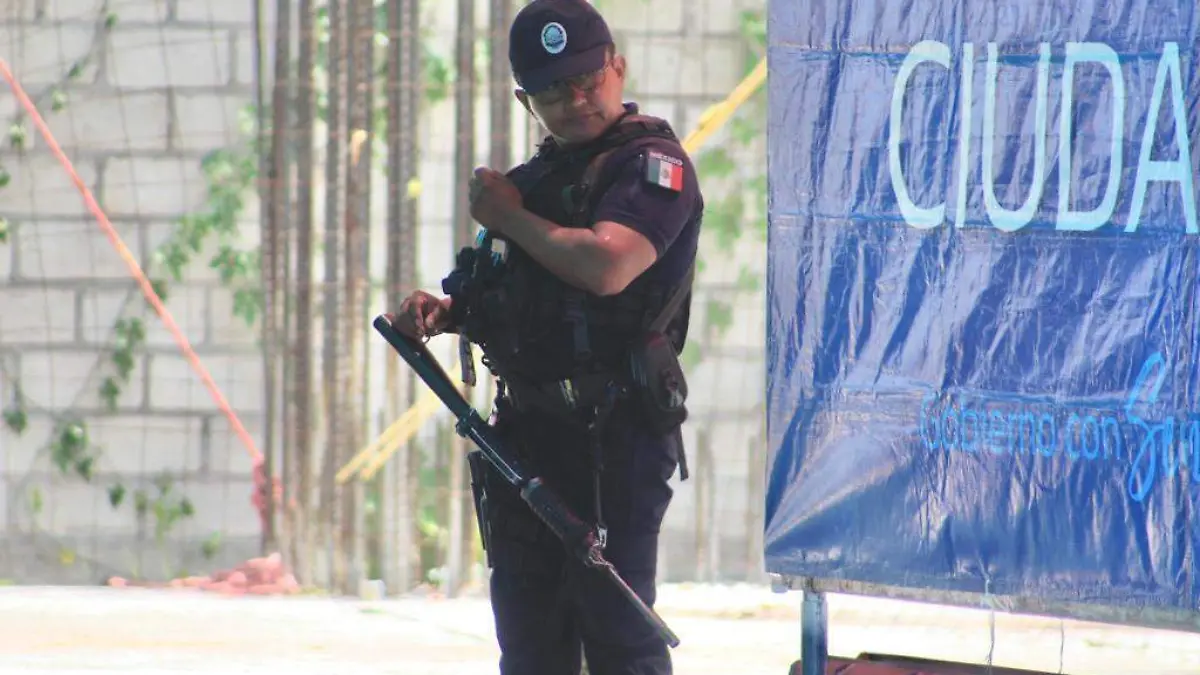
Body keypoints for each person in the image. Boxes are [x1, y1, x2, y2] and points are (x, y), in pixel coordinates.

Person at [387, 0, 703, 673]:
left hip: (614, 437)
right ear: (526, 100)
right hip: (527, 437)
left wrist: (510, 217)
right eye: (555, 92)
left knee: (620, 637)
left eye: (588, 80)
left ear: (618, 68)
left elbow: (606, 266)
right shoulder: (532, 183)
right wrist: (442, 312)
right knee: (531, 643)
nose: (577, 101)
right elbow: (502, 292)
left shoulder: (652, 167)